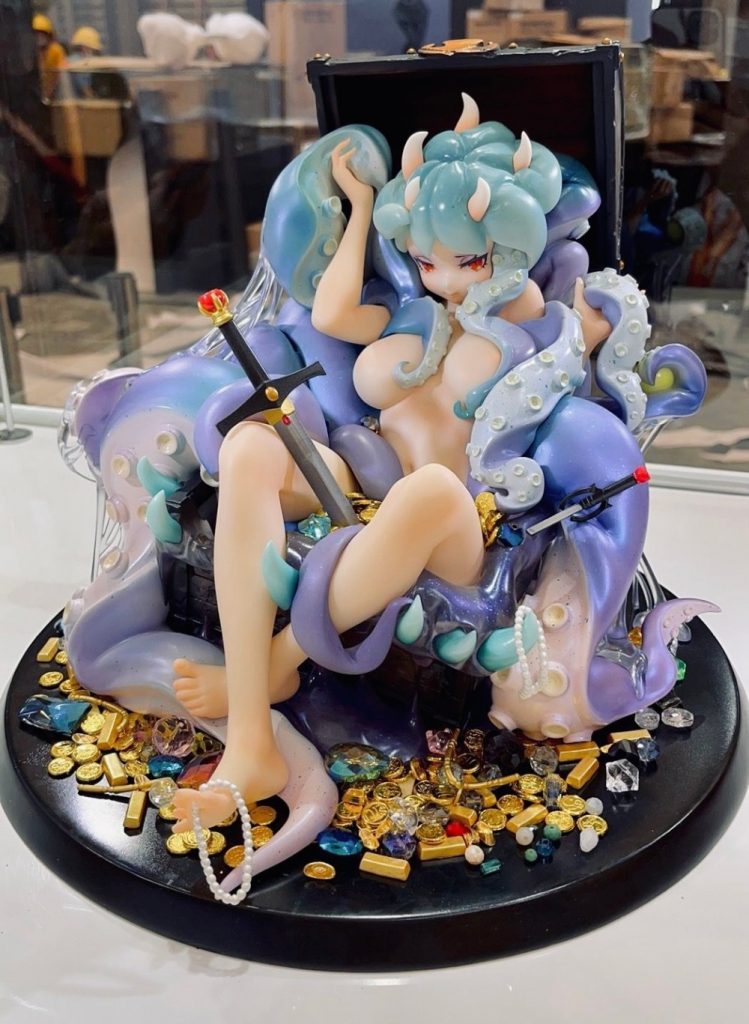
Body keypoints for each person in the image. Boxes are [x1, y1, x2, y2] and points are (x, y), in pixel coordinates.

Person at [169, 95, 615, 831]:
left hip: (458, 522)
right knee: (251, 443)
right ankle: (250, 742)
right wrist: (360, 207)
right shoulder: (415, 314)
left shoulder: (530, 319)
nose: (445, 278)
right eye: (426, 259)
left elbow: (576, 360)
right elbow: (330, 315)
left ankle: (280, 659)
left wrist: (590, 331)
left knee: (430, 489)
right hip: (366, 479)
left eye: (467, 260)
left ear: (505, 247)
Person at [32, 13, 66, 101]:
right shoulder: (28, 52)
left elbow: (62, 74)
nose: (39, 37)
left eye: (42, 34)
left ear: (49, 35)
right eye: (36, 34)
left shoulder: (56, 51)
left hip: (56, 95)